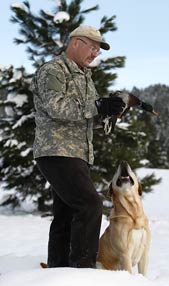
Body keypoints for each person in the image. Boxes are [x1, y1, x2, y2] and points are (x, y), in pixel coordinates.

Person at [30, 25, 125, 268]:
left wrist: (108, 115)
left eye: (98, 50)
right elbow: (56, 107)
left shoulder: (85, 77)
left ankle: (58, 271)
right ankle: (82, 270)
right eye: (92, 47)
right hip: (57, 151)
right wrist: (97, 107)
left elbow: (86, 117)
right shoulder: (53, 70)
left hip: (77, 153)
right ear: (75, 42)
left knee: (66, 213)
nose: (95, 53)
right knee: (90, 204)